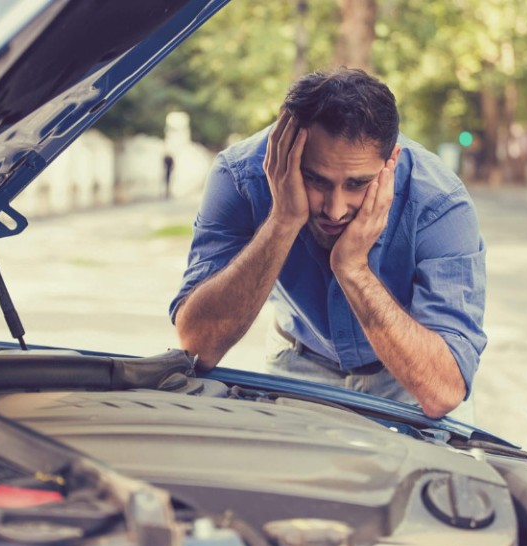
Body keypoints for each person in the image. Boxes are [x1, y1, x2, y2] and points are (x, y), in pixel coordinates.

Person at [169, 68, 486, 420]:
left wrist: (353, 270)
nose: (334, 210)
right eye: (315, 180)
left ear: (390, 162)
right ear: (285, 150)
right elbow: (197, 347)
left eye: (357, 184)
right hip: (296, 363)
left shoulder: (439, 202)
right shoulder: (241, 177)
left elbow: (442, 392)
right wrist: (282, 222)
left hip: (407, 377)